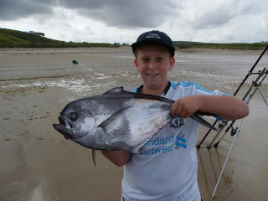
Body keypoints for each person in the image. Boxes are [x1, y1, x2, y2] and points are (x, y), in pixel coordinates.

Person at [101, 30, 249, 201]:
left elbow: (241, 109)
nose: (152, 66)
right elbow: (121, 159)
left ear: (171, 63)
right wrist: (98, 138)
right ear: (136, 64)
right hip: (136, 197)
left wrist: (200, 101)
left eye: (159, 59)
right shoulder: (125, 104)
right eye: (145, 59)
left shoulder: (188, 91)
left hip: (185, 197)